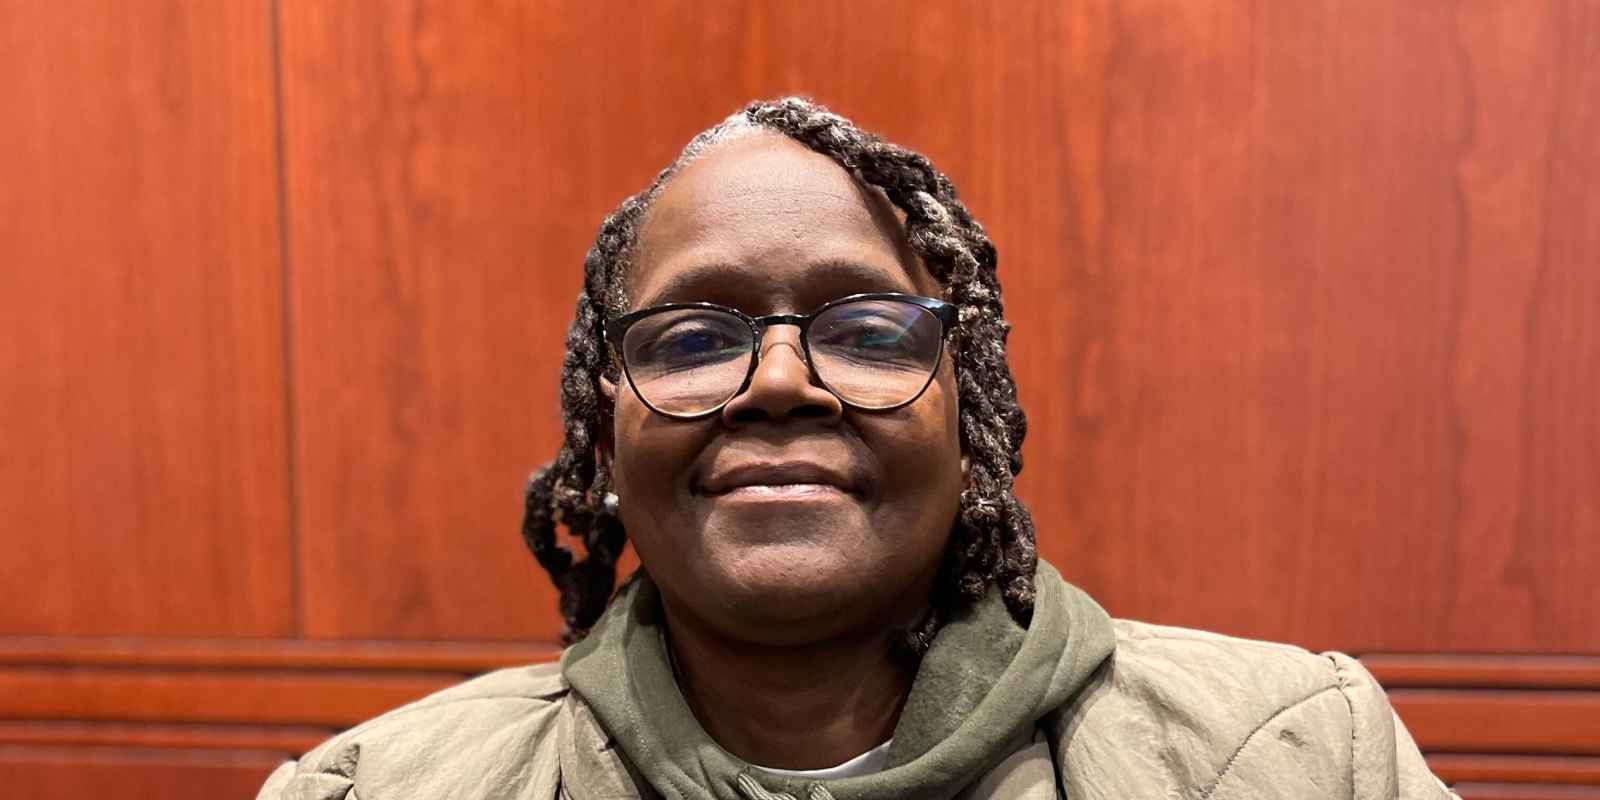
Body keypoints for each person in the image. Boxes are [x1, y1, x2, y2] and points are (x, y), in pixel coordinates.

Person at [257, 97, 1455, 799]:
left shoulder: (1299, 753)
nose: (778, 380)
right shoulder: (374, 788)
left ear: (971, 410)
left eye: (869, 329)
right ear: (601, 429)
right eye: (692, 336)